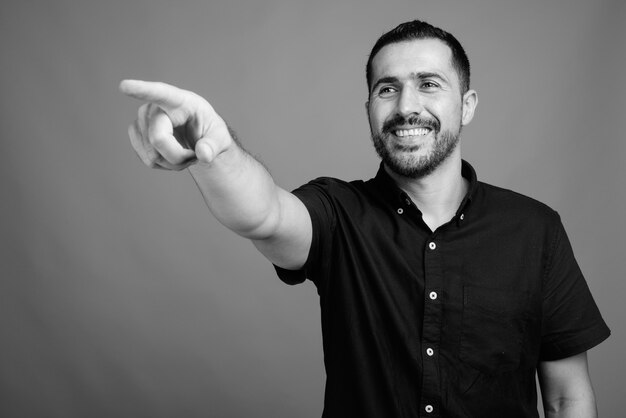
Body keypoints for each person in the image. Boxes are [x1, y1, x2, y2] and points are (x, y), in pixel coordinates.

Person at [120, 19, 610, 418]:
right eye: (387, 89)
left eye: (429, 84)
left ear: (467, 105)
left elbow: (568, 398)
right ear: (370, 108)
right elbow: (265, 215)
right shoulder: (338, 213)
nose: (407, 106)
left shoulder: (534, 229)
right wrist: (216, 151)